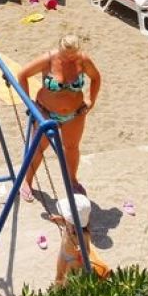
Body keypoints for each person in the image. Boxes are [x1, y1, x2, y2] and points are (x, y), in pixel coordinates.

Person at [18, 34, 102, 202]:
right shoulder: (48, 59)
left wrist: (91, 100)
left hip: (75, 114)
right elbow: (22, 75)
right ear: (60, 48)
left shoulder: (83, 60)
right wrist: (29, 104)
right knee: (39, 149)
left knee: (72, 148)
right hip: (47, 113)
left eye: (73, 55)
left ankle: (72, 180)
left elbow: (96, 78)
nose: (69, 58)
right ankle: (26, 182)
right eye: (65, 54)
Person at [48, 195, 111, 283]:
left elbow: (88, 251)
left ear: (74, 223)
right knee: (59, 274)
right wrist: (59, 219)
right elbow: (66, 221)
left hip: (73, 260)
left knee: (68, 280)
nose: (65, 220)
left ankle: (62, 291)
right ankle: (57, 283)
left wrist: (82, 252)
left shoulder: (83, 235)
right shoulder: (70, 224)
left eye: (66, 218)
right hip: (64, 253)